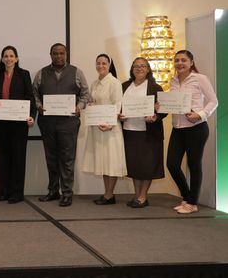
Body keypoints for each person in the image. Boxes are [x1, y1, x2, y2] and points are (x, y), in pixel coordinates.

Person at [33, 43, 90, 207]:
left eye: (61, 53)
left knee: (67, 158)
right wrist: (38, 106)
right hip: (48, 122)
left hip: (69, 122)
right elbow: (34, 93)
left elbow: (86, 94)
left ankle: (67, 193)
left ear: (66, 54)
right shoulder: (41, 74)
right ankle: (52, 191)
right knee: (51, 158)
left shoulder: (77, 72)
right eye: (55, 53)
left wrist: (78, 107)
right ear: (50, 55)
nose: (58, 56)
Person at [166, 50, 218, 214]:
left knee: (194, 165)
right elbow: (173, 104)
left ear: (191, 62)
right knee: (172, 164)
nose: (180, 63)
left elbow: (214, 101)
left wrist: (200, 114)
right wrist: (162, 106)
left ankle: (192, 203)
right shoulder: (173, 81)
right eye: (177, 60)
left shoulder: (200, 78)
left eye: (183, 60)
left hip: (196, 128)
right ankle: (187, 197)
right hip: (178, 128)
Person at [80, 54, 127, 205]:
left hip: (110, 129)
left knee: (111, 162)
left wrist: (110, 123)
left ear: (109, 65)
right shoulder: (94, 83)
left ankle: (109, 194)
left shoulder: (114, 82)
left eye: (104, 63)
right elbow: (93, 102)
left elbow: (117, 104)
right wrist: (91, 107)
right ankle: (107, 194)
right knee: (103, 161)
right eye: (98, 63)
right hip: (97, 127)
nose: (101, 66)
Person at [119, 57, 165, 208]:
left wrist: (156, 116)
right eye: (136, 66)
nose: (139, 68)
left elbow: (163, 109)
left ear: (148, 69)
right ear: (132, 69)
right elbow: (118, 106)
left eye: (143, 66)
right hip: (129, 131)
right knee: (134, 166)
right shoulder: (124, 86)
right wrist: (118, 115)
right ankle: (136, 195)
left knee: (147, 165)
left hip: (148, 133)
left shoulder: (155, 87)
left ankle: (143, 196)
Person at [0, 46, 36, 204]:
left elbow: (30, 97)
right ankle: (5, 191)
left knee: (18, 158)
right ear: (3, 59)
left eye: (12, 56)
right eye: (6, 56)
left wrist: (32, 116)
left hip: (19, 124)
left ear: (16, 59)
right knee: (4, 157)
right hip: (3, 123)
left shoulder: (24, 75)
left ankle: (17, 193)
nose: (9, 58)